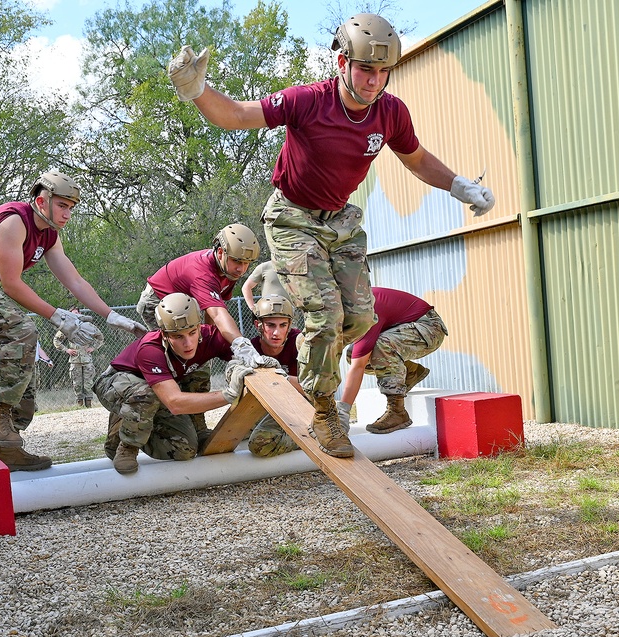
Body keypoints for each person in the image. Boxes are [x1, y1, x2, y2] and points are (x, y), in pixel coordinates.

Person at [168, 13, 494, 459]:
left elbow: (416, 159)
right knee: (324, 317)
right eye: (365, 69)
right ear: (342, 62)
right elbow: (237, 115)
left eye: (383, 72)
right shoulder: (308, 101)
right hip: (292, 217)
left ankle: (313, 361)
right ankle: (322, 409)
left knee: (359, 319)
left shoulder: (390, 112)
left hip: (340, 220)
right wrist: (197, 90)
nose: (374, 81)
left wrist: (460, 185)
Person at [0, 170, 148, 471]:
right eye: (62, 205)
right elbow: (11, 284)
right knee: (23, 330)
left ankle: (9, 447)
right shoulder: (14, 220)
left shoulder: (49, 235)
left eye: (71, 208)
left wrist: (111, 315)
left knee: (24, 362)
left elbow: (74, 281)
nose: (68, 213)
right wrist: (60, 318)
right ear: (41, 201)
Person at [135, 224, 279, 440]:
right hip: (157, 303)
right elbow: (219, 314)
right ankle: (173, 420)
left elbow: (214, 313)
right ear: (220, 252)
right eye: (238, 262)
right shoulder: (202, 272)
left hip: (188, 310)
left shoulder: (228, 268)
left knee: (201, 359)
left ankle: (197, 425)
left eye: (247, 263)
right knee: (182, 362)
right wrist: (241, 345)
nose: (242, 269)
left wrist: (210, 343)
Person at [94, 293, 256, 475]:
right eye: (178, 336)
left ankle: (198, 427)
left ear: (198, 327)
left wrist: (255, 361)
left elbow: (243, 355)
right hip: (117, 383)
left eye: (192, 333)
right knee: (145, 394)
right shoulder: (150, 349)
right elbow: (174, 402)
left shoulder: (209, 337)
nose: (188, 343)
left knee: (184, 449)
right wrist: (228, 395)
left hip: (158, 390)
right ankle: (126, 443)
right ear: (164, 334)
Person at [338, 287, 447, 434]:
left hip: (429, 328)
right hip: (405, 327)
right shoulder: (349, 303)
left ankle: (397, 411)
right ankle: (409, 372)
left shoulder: (364, 310)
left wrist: (343, 412)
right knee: (353, 353)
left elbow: (359, 366)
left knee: (380, 345)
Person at [246, 295, 306, 458]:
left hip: (301, 406)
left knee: (260, 445)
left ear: (289, 325)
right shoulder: (251, 350)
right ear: (258, 325)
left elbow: (314, 388)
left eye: (283, 325)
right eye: (270, 325)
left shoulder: (300, 343)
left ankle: (308, 437)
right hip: (268, 406)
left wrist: (283, 380)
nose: (276, 333)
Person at [53, 307, 103, 407]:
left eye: (76, 313)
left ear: (80, 314)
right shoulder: (66, 328)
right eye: (72, 314)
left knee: (88, 383)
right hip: (75, 360)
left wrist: (93, 348)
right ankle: (79, 403)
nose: (75, 315)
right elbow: (56, 340)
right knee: (77, 384)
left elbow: (100, 337)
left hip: (87, 359)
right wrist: (67, 350)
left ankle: (89, 404)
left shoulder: (88, 326)